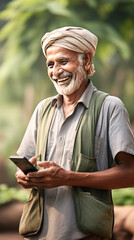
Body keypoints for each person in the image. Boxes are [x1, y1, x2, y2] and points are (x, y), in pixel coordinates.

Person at [15, 26, 134, 240]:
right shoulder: (43, 109)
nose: (56, 71)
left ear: (87, 60)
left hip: (86, 234)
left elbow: (130, 173)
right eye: (50, 64)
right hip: (38, 233)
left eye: (63, 62)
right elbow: (24, 164)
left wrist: (67, 178)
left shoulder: (110, 107)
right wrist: (24, 176)